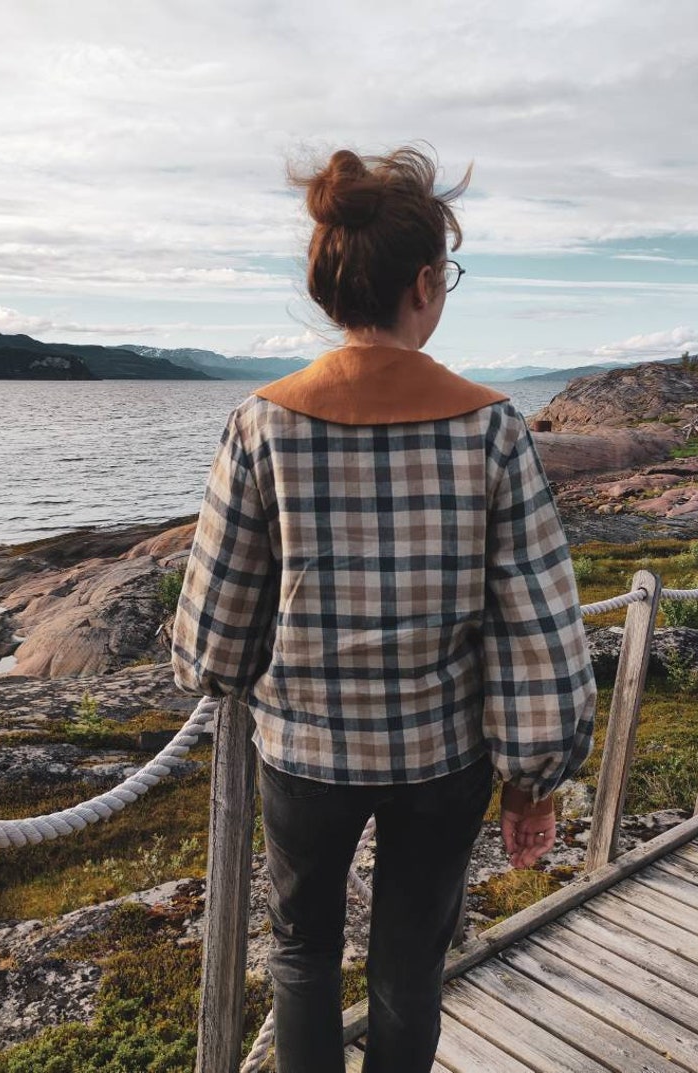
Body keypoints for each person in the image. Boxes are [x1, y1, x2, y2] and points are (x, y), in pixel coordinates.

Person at [172, 146, 596, 1073]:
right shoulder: (491, 426)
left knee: (301, 951)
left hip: (306, 758)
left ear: (332, 287)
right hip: (444, 762)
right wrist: (533, 780)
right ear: (422, 284)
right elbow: (540, 626)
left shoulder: (262, 422)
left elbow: (211, 643)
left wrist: (248, 666)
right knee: (409, 967)